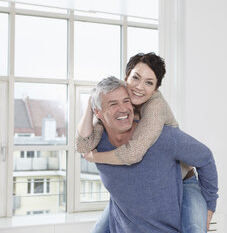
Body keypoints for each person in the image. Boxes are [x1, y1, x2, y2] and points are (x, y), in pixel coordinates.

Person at [76, 53, 214, 232]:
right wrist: (91, 104)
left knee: (195, 228)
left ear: (155, 88)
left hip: (182, 181)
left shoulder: (155, 109)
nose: (139, 87)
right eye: (136, 78)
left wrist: (95, 157)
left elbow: (133, 154)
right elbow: (82, 145)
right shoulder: (122, 102)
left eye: (149, 82)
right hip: (127, 201)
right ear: (126, 78)